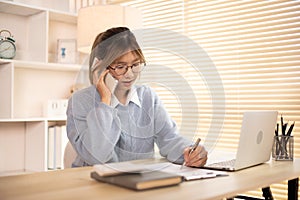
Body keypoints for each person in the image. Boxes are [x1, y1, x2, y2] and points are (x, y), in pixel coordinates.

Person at [66, 27, 207, 167]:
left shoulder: (147, 96)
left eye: (135, 65)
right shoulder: (79, 101)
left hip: (137, 181)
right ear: (100, 67)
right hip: (92, 183)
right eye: (120, 67)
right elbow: (97, 156)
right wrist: (105, 102)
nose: (130, 74)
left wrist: (190, 151)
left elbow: (169, 138)